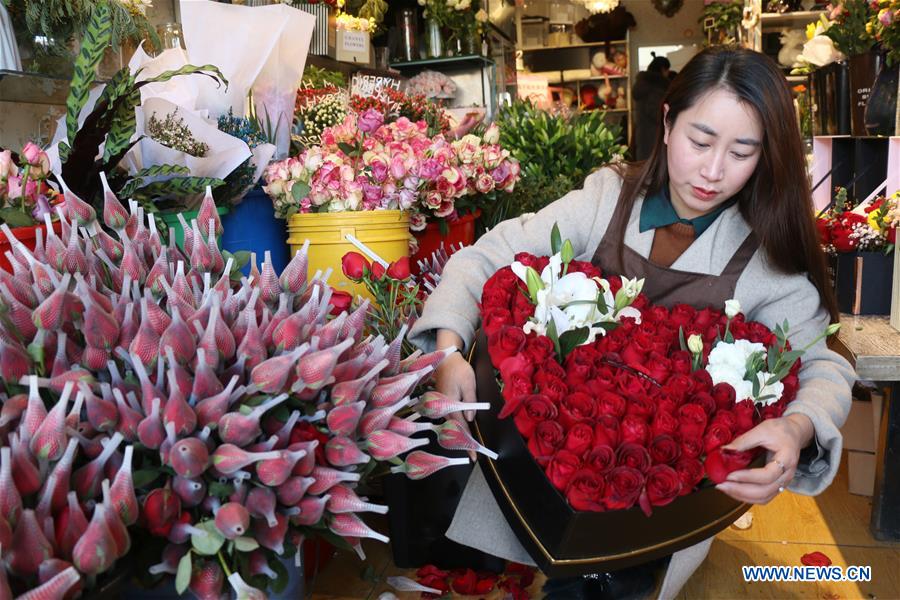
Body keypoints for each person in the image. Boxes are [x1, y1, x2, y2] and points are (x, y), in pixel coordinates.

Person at [408, 46, 855, 600]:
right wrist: (449, 348)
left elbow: (822, 362)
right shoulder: (606, 201)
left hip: (655, 505)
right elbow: (487, 256)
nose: (713, 172)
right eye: (700, 141)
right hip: (546, 465)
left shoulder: (762, 261)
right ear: (667, 122)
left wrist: (797, 427)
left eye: (742, 151)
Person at [632, 54, 672, 161]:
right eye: (667, 70)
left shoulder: (644, 85)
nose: (668, 74)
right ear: (663, 69)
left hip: (644, 138)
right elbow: (657, 114)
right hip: (654, 140)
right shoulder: (656, 88)